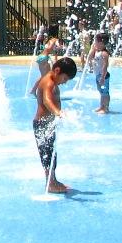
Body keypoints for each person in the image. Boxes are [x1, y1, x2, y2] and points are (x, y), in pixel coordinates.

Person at [31, 57, 77, 194]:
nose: (65, 82)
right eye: (65, 79)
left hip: (48, 124)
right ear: (57, 71)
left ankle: (53, 180)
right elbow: (47, 100)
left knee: (52, 154)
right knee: (46, 154)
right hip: (42, 124)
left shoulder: (52, 80)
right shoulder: (48, 82)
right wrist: (58, 112)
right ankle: (50, 183)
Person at [32, 24, 62, 90]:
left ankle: (33, 90)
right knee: (48, 76)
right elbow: (57, 47)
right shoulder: (55, 39)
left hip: (40, 57)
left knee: (43, 76)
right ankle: (45, 90)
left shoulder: (49, 40)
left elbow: (50, 49)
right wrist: (61, 47)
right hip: (44, 58)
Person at [87, 31, 111, 114]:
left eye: (95, 41)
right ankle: (101, 106)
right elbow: (89, 58)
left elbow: (105, 66)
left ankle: (106, 107)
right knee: (101, 91)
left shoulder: (104, 54)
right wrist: (92, 49)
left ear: (101, 43)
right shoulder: (97, 52)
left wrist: (103, 77)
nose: (94, 43)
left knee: (105, 92)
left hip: (103, 76)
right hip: (98, 75)